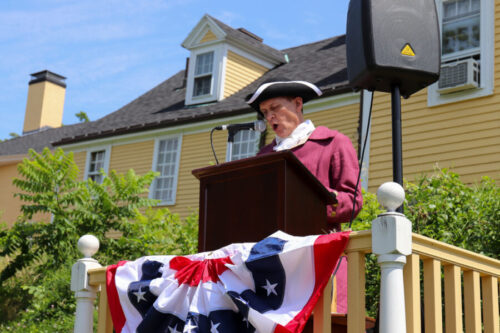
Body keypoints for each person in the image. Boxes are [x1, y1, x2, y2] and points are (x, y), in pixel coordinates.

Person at [247, 79, 363, 232]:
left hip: (317, 248)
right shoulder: (263, 156)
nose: (269, 117)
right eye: (265, 112)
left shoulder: (333, 142)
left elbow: (352, 202)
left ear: (297, 104)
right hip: (272, 251)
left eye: (274, 107)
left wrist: (310, 199)